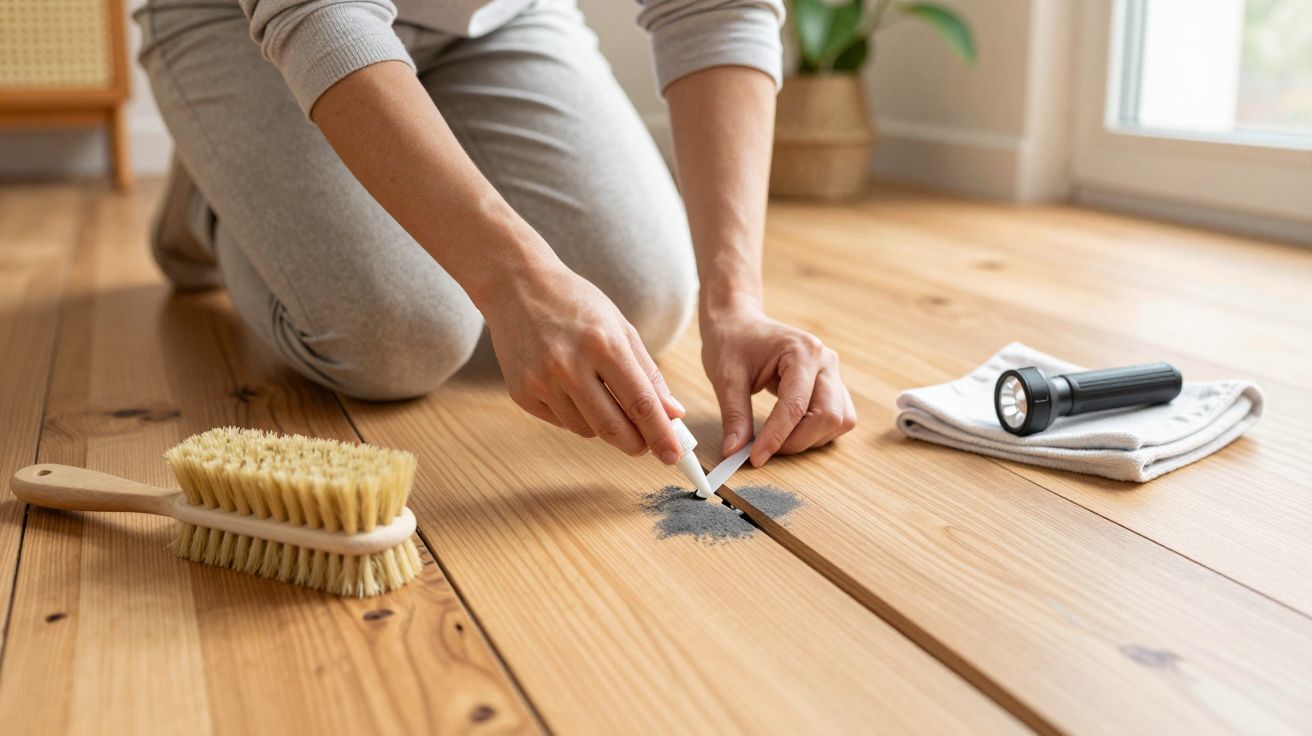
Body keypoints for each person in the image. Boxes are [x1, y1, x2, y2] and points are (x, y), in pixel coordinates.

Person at [136, 0, 856, 471]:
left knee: (643, 296)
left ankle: (391, 147)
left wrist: (736, 303)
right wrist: (517, 277)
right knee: (399, 334)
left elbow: (714, 8)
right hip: (251, 18)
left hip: (492, 18)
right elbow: (320, 13)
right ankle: (216, 188)